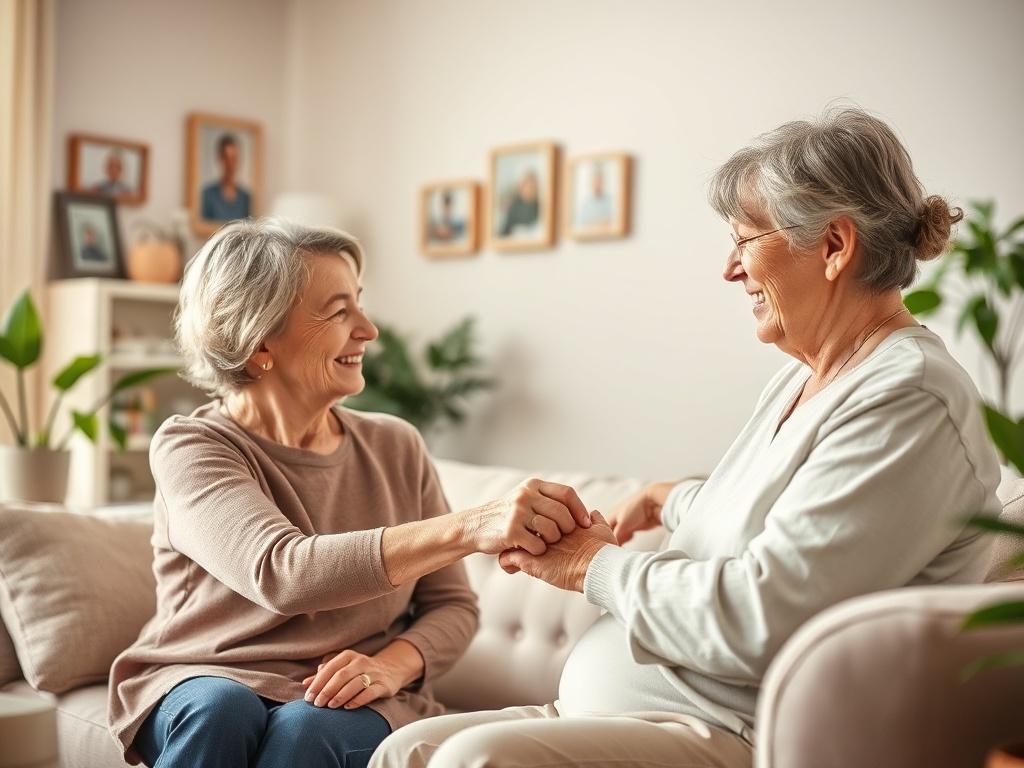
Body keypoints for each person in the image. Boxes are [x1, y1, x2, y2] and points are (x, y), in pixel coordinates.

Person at [371, 107, 1003, 768]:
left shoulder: (909, 399)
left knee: (471, 762)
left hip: (741, 733)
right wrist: (668, 498)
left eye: (745, 240)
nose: (732, 270)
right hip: (644, 709)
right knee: (404, 749)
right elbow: (779, 519)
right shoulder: (809, 380)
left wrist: (589, 564)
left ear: (835, 246)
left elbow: (765, 618)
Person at [106, 218, 594, 768]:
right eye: (339, 312)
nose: (368, 329)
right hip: (205, 674)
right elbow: (281, 573)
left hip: (350, 692)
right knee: (222, 709)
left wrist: (392, 664)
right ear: (259, 339)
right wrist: (471, 526)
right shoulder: (193, 446)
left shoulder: (394, 444)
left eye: (359, 304)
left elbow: (452, 605)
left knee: (305, 731)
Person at [201, 133, 252, 221]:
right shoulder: (208, 194)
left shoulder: (245, 198)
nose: (230, 164)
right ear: (220, 159)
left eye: (234, 159)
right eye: (226, 158)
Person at [499, 169, 540, 236]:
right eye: (527, 185)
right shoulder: (514, 207)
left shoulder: (540, 206)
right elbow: (504, 232)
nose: (530, 189)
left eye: (532, 185)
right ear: (521, 187)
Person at [576, 161, 613, 228]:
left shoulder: (610, 201)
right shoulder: (586, 203)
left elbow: (612, 220)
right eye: (594, 181)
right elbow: (581, 224)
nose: (596, 184)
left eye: (598, 181)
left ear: (602, 182)